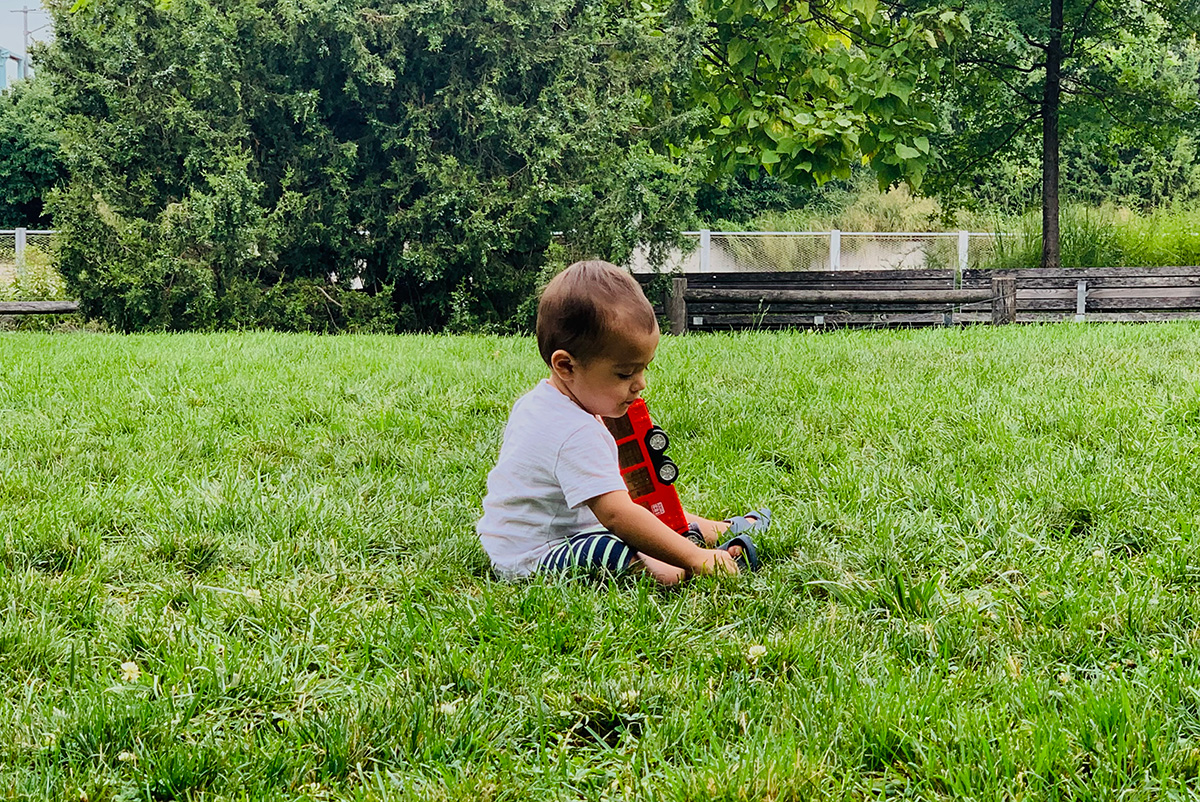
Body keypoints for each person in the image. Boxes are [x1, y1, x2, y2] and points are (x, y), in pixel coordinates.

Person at [477, 260, 770, 585]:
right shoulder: (574, 431)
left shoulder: (541, 402)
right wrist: (695, 559)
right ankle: (696, 557)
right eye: (625, 373)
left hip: (528, 535)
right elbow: (617, 515)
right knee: (629, 552)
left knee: (650, 511)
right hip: (537, 553)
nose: (640, 383)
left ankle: (714, 529)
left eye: (644, 368)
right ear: (566, 366)